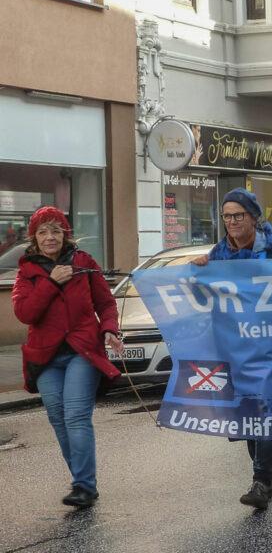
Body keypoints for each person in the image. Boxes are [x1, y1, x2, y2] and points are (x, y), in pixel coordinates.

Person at [191, 188, 272, 510]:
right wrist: (198, 276)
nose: (232, 221)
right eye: (227, 216)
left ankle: (261, 479)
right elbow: (205, 301)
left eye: (238, 215)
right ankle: (264, 479)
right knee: (249, 412)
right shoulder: (218, 256)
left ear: (253, 217)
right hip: (236, 348)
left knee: (269, 408)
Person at [12, 207, 124, 508]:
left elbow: (106, 303)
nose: (50, 237)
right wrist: (51, 283)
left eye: (56, 231)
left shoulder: (84, 263)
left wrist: (110, 330)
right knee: (58, 418)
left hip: (82, 351)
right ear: (34, 238)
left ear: (65, 235)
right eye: (43, 232)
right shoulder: (27, 271)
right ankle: (81, 479)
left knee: (75, 416)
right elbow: (25, 313)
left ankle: (84, 486)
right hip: (45, 357)